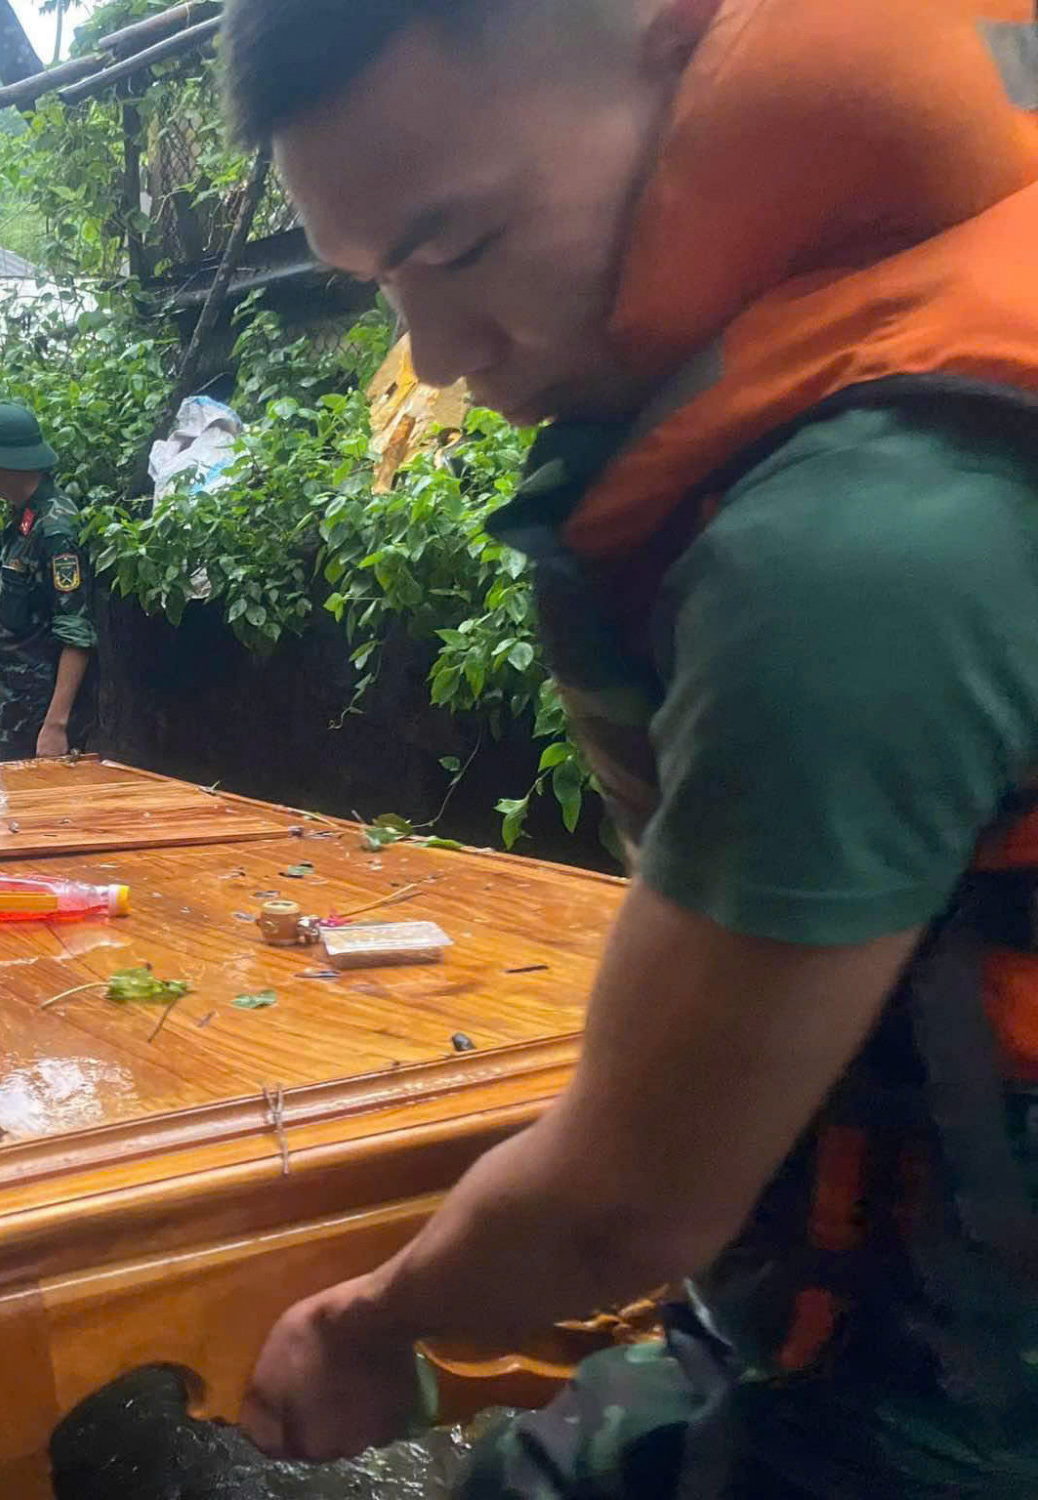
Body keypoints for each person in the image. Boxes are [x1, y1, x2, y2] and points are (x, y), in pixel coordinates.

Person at [220, 0, 1038, 1494]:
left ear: (676, 36)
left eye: (459, 249)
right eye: (385, 283)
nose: (441, 356)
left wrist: (365, 1329)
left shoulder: (856, 546)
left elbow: (625, 1207)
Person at [0, 401, 98, 760]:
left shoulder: (57, 531)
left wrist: (56, 726)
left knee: (49, 815)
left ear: (3, 463)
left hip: (41, 723)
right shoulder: (25, 520)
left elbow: (76, 633)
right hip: (15, 714)